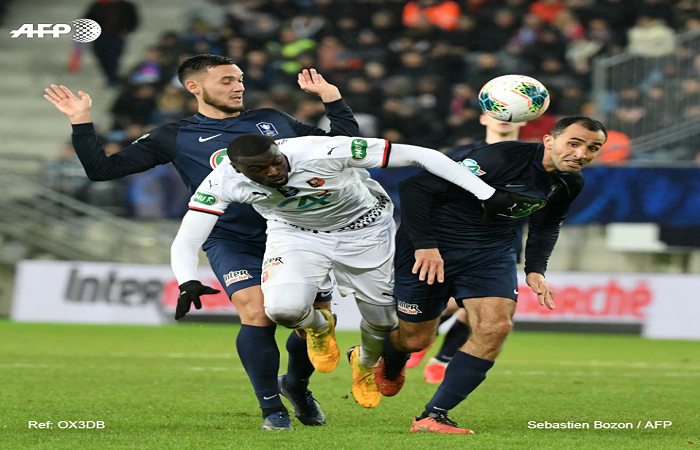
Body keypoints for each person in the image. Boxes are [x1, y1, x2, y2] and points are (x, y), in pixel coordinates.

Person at [44, 54, 359, 431]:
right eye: (226, 80)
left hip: (298, 234)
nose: (238, 86)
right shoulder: (175, 135)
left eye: (239, 79)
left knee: (314, 323)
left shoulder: (273, 120)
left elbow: (346, 147)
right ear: (194, 87)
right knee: (257, 314)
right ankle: (272, 410)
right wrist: (81, 121)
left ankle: (297, 387)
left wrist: (333, 99)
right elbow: (103, 170)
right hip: (231, 239)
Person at [170, 133, 536, 414]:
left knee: (382, 321)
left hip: (366, 230)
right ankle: (318, 327)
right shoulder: (222, 182)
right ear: (238, 171)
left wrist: (486, 193)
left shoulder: (323, 150)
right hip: (296, 235)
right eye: (260, 170)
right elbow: (188, 236)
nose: (273, 172)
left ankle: (363, 363)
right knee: (281, 310)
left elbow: (424, 156)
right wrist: (186, 278)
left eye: (276, 162)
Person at [375, 116, 607, 433]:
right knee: (416, 339)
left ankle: (433, 415)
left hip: (491, 251)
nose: (582, 154)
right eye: (574, 143)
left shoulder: (570, 183)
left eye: (593, 148)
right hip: (433, 248)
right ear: (549, 140)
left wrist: (536, 269)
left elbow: (547, 225)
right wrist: (425, 246)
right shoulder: (499, 157)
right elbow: (415, 187)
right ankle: (390, 359)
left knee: (496, 325)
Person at [412, 114, 528, 383]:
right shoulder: (460, 154)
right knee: (451, 304)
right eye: (499, 111)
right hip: (457, 238)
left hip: (503, 240)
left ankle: (442, 360)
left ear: (526, 116)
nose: (506, 117)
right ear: (483, 116)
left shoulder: (532, 158)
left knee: (477, 309)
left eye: (513, 111)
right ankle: (424, 337)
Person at [84, 0, 139, 87]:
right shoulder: (98, 6)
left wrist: (126, 31)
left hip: (117, 37)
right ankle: (111, 77)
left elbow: (133, 20)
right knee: (101, 57)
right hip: (100, 37)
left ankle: (113, 79)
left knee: (113, 58)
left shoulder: (126, 6)